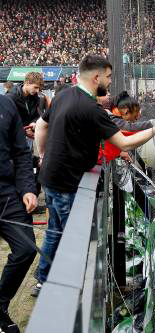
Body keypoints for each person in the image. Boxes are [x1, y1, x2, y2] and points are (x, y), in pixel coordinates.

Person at [32, 55, 155, 296]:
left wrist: (43, 154)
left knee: (54, 231)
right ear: (96, 77)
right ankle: (67, 290)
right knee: (71, 240)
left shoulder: (64, 95)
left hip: (49, 178)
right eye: (107, 77)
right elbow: (123, 143)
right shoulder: (91, 109)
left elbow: (41, 126)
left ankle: (43, 278)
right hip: (66, 182)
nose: (109, 82)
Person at [0, 94, 37, 333]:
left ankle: (0, 305)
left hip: (7, 192)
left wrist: (27, 189)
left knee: (26, 249)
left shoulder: (6, 104)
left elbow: (21, 152)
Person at [6, 72, 44, 141]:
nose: (37, 90)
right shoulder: (11, 97)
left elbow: (36, 115)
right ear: (27, 82)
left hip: (28, 136)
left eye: (39, 88)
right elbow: (7, 122)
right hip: (12, 139)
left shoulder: (35, 98)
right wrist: (24, 130)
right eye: (35, 87)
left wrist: (34, 122)